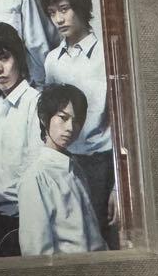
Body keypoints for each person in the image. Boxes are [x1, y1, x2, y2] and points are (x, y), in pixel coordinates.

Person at [40, 0, 115, 244]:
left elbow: (123, 121)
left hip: (101, 164)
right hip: (65, 162)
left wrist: (119, 187)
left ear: (80, 7)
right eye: (52, 13)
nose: (58, 19)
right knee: (70, 239)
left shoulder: (107, 54)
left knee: (100, 239)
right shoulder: (52, 61)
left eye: (64, 9)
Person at [0, 23, 42, 258]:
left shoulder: (35, 103)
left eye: (4, 57)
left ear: (18, 57)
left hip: (18, 221)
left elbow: (36, 173)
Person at [18, 83, 108, 256]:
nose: (70, 128)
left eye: (77, 121)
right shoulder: (35, 178)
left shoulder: (75, 168)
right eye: (63, 118)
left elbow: (94, 236)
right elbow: (37, 253)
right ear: (44, 119)